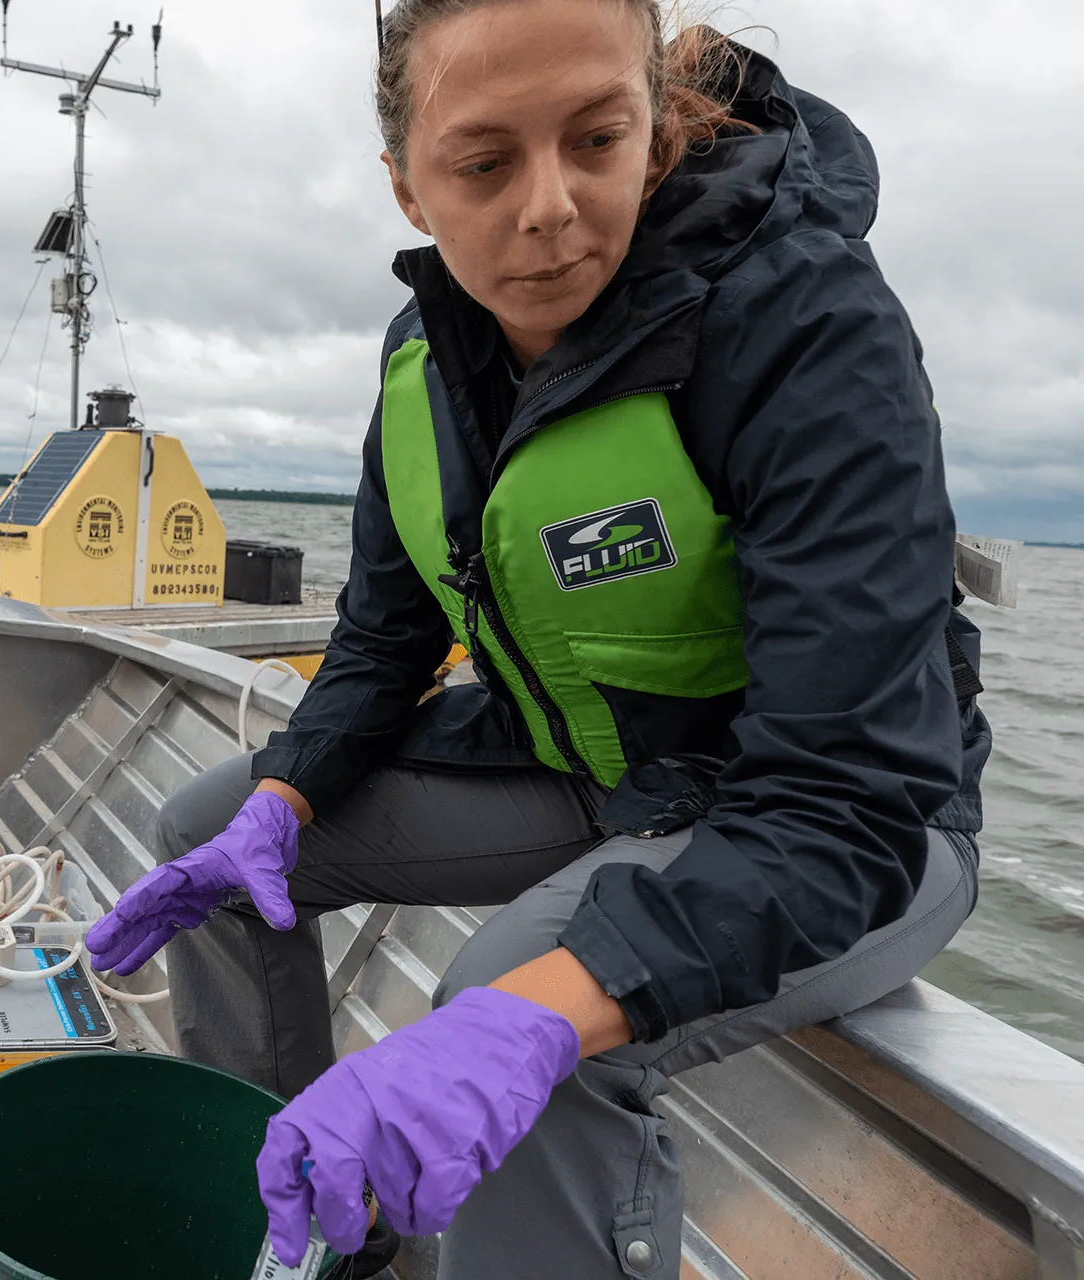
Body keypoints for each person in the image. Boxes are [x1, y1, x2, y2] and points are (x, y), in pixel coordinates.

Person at [86, 1, 991, 1275]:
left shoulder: (802, 320)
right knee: (214, 845)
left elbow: (849, 789)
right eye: (483, 162)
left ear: (656, 136)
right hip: (590, 774)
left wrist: (541, 1012)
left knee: (516, 1000)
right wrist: (280, 801)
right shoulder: (423, 361)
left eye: (595, 141)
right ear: (406, 186)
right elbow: (381, 638)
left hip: (846, 823)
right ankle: (307, 1231)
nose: (550, 207)